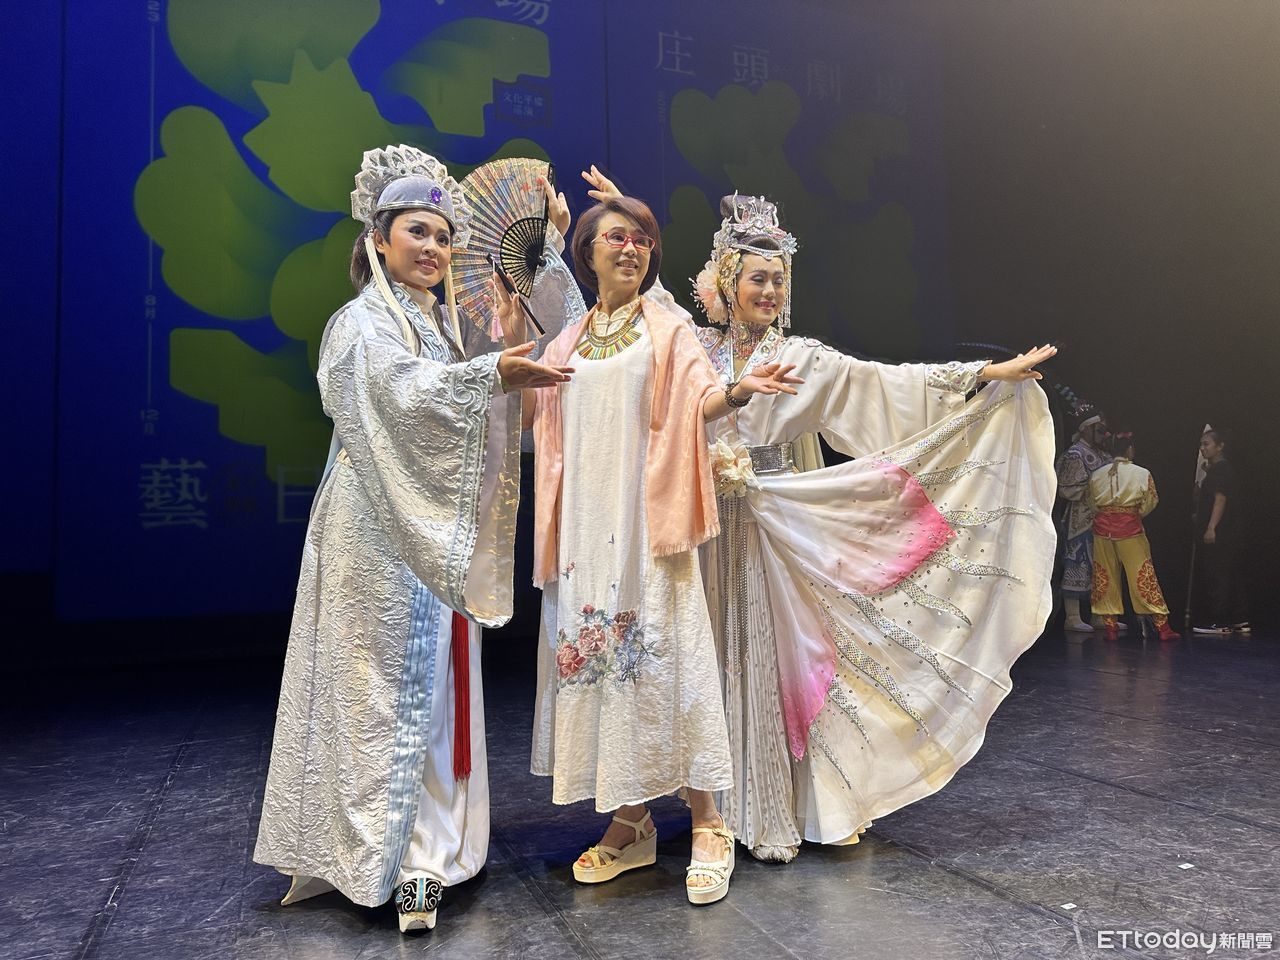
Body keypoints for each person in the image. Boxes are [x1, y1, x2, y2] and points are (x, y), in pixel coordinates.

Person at [253, 145, 574, 934]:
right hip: (372, 538)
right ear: (378, 239)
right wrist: (488, 378)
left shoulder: (443, 328)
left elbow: (536, 353)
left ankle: (438, 851)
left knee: (436, 690)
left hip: (434, 534)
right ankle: (396, 862)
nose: (433, 248)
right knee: (379, 694)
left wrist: (545, 255)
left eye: (442, 236)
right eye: (416, 232)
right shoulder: (359, 325)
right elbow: (398, 394)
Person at [682, 193, 1059, 863]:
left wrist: (980, 375)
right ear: (726, 282)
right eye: (757, 278)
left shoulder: (802, 358)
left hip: (776, 525)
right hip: (707, 528)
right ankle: (721, 807)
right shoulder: (696, 351)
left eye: (778, 280)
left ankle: (808, 801)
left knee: (792, 659)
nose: (769, 291)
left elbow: (884, 383)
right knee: (716, 660)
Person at [518, 179, 801, 905]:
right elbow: (538, 426)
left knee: (674, 663)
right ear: (587, 254)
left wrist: (738, 392)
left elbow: (699, 401)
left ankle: (708, 821)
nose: (632, 248)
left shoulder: (666, 327)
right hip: (585, 535)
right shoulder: (568, 340)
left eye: (642, 239)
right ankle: (632, 819)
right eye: (616, 237)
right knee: (603, 675)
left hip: (648, 529)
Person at [1086, 431, 1181, 642]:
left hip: (1102, 530)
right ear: (1130, 450)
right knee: (1142, 575)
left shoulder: (1096, 474)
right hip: (1129, 529)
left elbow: (1091, 503)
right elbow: (1151, 500)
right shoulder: (1141, 473)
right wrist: (1134, 514)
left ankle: (1110, 627)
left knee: (1104, 576)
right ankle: (1162, 626)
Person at [1055, 403, 1112, 633]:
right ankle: (1073, 616)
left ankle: (1099, 614)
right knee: (1077, 561)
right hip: (1080, 518)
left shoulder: (1104, 454)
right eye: (1099, 429)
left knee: (1101, 564)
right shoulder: (1075, 454)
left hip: (1103, 518)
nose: (1103, 434)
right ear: (1087, 428)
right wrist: (1092, 489)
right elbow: (1065, 487)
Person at [1192, 429, 1248, 635]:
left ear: (1220, 446)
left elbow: (1220, 498)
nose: (1202, 448)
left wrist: (1211, 527)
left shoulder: (1220, 470)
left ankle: (1219, 621)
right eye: (1201, 444)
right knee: (1232, 574)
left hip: (1221, 533)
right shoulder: (1221, 470)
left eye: (1207, 444)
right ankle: (1240, 619)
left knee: (1218, 575)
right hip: (1231, 534)